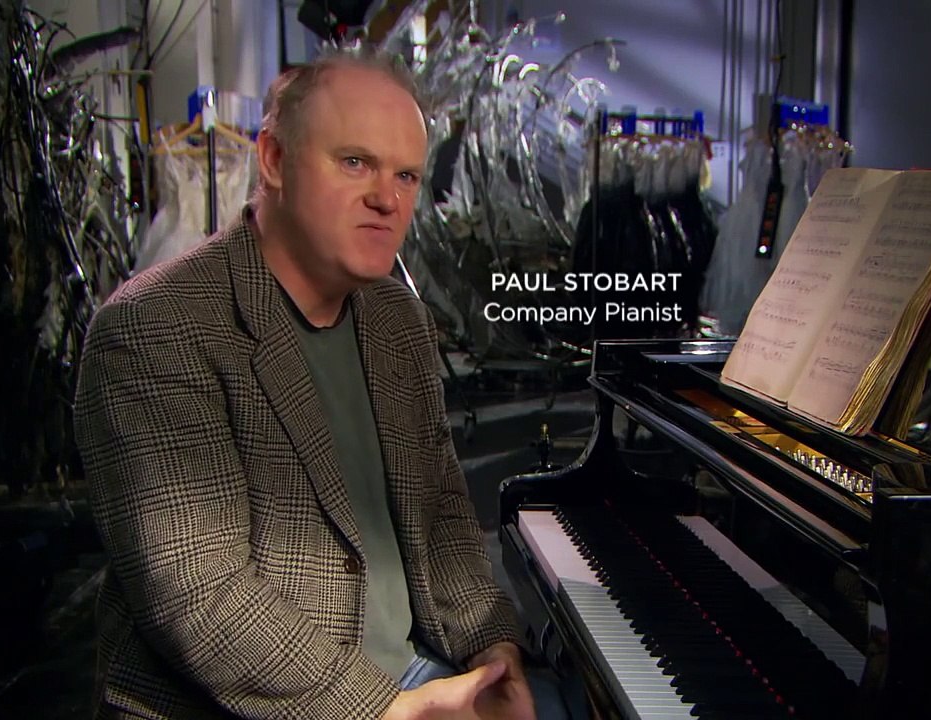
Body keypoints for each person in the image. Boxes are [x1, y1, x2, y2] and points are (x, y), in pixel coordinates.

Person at [74, 47, 576, 718]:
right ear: (275, 160)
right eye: (355, 162)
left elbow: (443, 511)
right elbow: (201, 594)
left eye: (406, 175)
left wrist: (494, 649)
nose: (386, 198)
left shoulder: (398, 318)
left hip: (414, 671)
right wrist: (388, 711)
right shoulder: (157, 327)